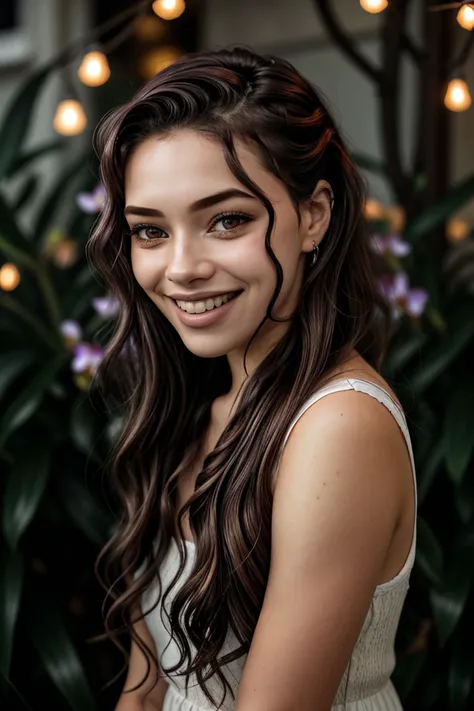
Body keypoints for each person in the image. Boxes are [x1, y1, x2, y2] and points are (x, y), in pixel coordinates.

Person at [88, 46, 417, 711]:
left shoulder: (337, 428)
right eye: (150, 231)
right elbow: (146, 687)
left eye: (227, 220)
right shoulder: (196, 401)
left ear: (313, 216)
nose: (181, 267)